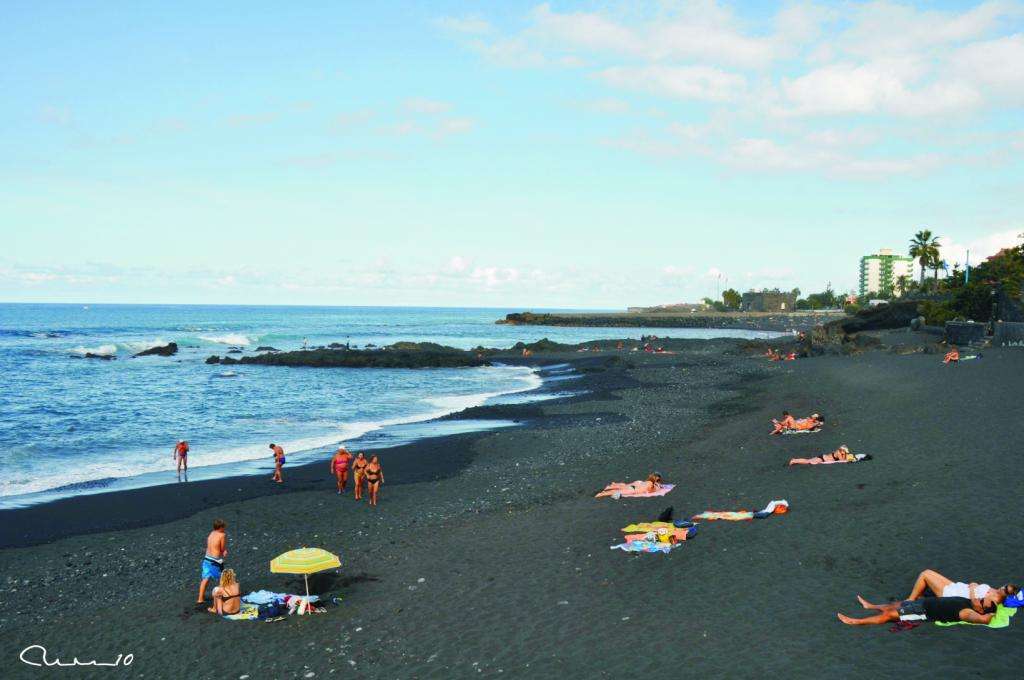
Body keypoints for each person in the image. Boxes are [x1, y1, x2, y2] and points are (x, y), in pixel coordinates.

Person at [906, 569, 1018, 613]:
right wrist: (975, 585)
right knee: (928, 571)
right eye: (1005, 586)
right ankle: (919, 595)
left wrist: (973, 589)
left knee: (924, 575)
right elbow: (980, 590)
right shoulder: (996, 591)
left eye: (1006, 591)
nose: (1003, 588)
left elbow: (976, 604)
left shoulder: (994, 600)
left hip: (952, 594)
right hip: (956, 586)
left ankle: (910, 600)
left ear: (1007, 595)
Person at [838, 595, 997, 626]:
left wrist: (991, 615)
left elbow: (983, 619)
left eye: (982, 602)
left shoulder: (967, 612)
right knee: (895, 605)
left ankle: (856, 621)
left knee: (888, 615)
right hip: (924, 603)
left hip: (923, 613)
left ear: (981, 610)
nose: (980, 599)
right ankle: (870, 606)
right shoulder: (969, 601)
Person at [198, 519, 227, 603]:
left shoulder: (211, 533)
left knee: (205, 579)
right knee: (223, 577)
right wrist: (224, 551)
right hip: (214, 561)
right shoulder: (222, 535)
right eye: (223, 527)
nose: (224, 529)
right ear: (220, 527)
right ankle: (222, 596)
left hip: (206, 558)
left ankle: (200, 598)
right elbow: (221, 548)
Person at [788, 445, 870, 466]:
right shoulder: (838, 452)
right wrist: (851, 459)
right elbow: (842, 460)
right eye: (845, 451)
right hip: (823, 458)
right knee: (808, 461)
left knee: (808, 461)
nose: (845, 453)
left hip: (824, 458)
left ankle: (795, 460)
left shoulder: (842, 453)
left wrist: (851, 458)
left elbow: (845, 458)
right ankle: (794, 460)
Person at [595, 473, 663, 498]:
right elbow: (650, 491)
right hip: (633, 490)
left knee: (622, 488)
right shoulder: (652, 484)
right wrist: (658, 488)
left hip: (635, 486)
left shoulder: (647, 481)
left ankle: (610, 487)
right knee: (616, 492)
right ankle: (600, 494)